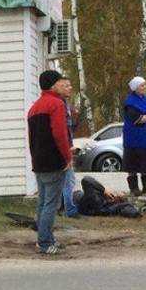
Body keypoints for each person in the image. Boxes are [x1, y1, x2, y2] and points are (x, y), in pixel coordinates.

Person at [27, 70, 72, 254]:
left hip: (39, 161)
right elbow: (60, 134)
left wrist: (34, 159)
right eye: (62, 83)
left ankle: (44, 238)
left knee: (43, 202)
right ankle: (45, 242)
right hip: (54, 160)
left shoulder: (34, 107)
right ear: (54, 85)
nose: (66, 86)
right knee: (51, 204)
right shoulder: (56, 104)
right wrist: (67, 157)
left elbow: (32, 138)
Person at [122, 77, 146, 196]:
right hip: (133, 138)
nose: (144, 87)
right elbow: (137, 119)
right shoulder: (130, 102)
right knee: (132, 166)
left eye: (144, 85)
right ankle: (134, 189)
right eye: (142, 85)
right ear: (135, 87)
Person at [60, 78, 80, 218]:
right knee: (68, 180)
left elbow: (70, 128)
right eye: (66, 86)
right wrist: (67, 148)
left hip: (67, 145)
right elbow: (61, 130)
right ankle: (70, 210)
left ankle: (61, 207)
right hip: (63, 147)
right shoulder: (59, 105)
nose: (70, 88)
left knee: (64, 180)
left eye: (70, 85)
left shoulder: (66, 104)